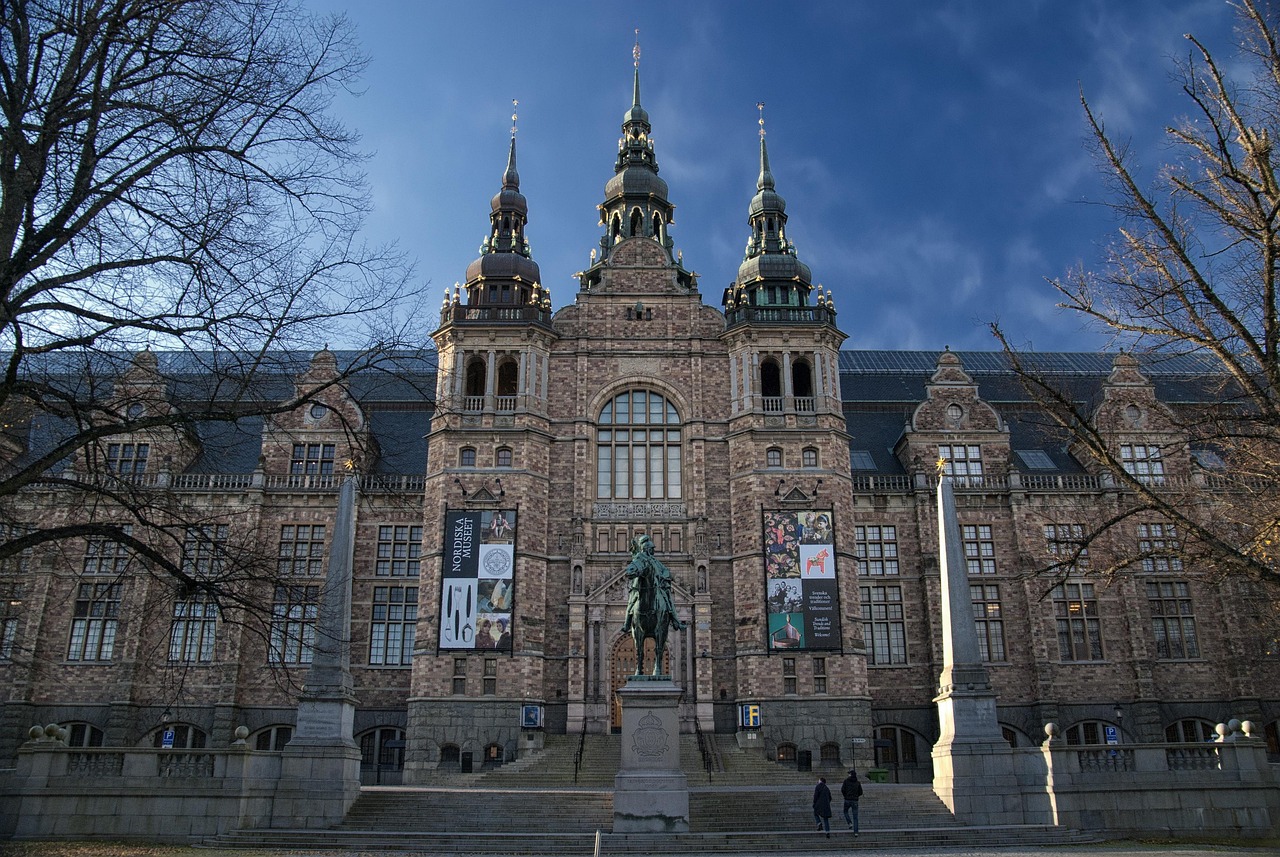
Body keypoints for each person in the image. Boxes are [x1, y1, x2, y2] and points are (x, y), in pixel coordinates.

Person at [620, 534, 686, 634]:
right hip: (639, 587)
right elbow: (633, 566)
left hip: (656, 587)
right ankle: (627, 623)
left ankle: (676, 621)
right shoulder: (639, 558)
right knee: (631, 601)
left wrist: (664, 576)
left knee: (668, 600)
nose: (653, 551)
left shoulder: (655, 561)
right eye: (651, 549)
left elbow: (665, 570)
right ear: (647, 549)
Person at [841, 768, 863, 834]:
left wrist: (845, 796)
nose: (848, 775)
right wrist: (856, 796)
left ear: (851, 775)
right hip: (855, 801)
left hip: (847, 799)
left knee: (845, 811)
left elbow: (842, 790)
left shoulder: (846, 781)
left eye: (849, 774)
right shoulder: (857, 783)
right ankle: (856, 832)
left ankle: (849, 822)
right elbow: (860, 792)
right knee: (855, 817)